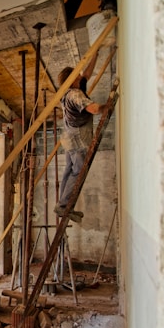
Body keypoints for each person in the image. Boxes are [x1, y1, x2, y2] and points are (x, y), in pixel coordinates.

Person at [55, 50, 109, 223]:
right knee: (77, 172)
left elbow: (86, 73)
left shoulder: (71, 90)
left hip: (69, 135)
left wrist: (95, 55)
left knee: (68, 171)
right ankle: (64, 206)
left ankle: (62, 205)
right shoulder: (75, 94)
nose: (80, 76)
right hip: (77, 138)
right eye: (77, 76)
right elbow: (93, 109)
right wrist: (107, 106)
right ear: (72, 80)